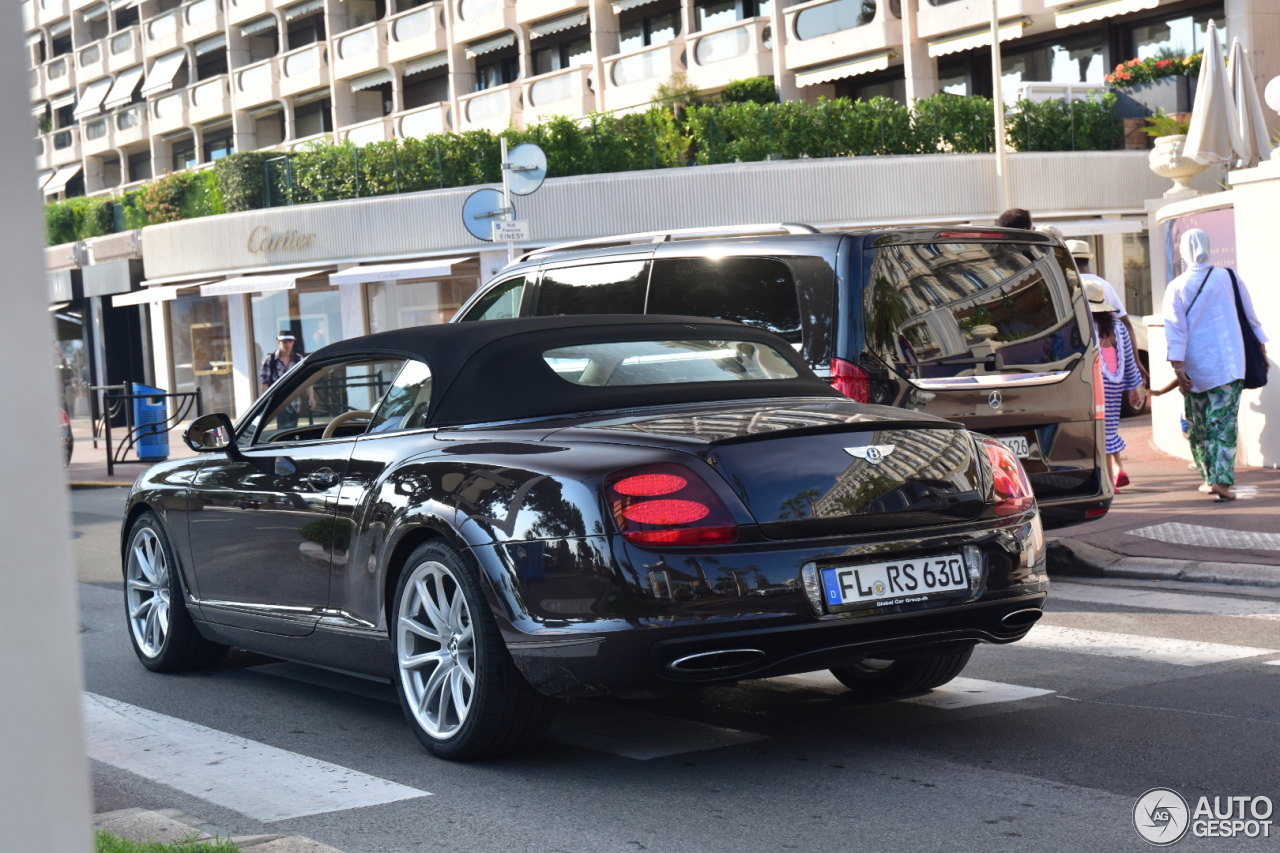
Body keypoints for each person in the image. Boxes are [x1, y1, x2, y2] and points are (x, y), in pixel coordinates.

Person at [1163, 229, 1268, 501]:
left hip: (1194, 366)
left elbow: (1175, 330)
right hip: (1231, 363)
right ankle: (1220, 481)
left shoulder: (1177, 286)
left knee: (1198, 425)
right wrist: (1261, 350)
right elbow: (1250, 317)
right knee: (1223, 423)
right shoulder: (1229, 277)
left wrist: (1178, 369)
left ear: (1183, 251)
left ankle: (1210, 478)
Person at [1086, 280, 1144, 491]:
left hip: (1096, 384)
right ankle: (1119, 469)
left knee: (1097, 431)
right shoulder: (1118, 327)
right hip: (1115, 386)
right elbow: (1128, 360)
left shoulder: (1085, 327)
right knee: (1110, 427)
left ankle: (1109, 481)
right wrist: (1134, 388)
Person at [1067, 239, 1149, 385]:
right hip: (1109, 370)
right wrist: (1136, 361)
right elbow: (1127, 324)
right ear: (1087, 260)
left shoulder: (1066, 286)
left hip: (1077, 368)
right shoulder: (1104, 285)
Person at [260, 330, 305, 428]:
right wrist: (266, 401)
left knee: (293, 429)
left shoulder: (298, 359)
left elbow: (306, 379)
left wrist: (312, 397)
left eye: (290, 341)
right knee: (284, 428)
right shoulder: (270, 360)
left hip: (295, 401)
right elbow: (265, 382)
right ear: (279, 342)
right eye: (285, 342)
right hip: (278, 400)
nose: (287, 344)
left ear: (293, 342)